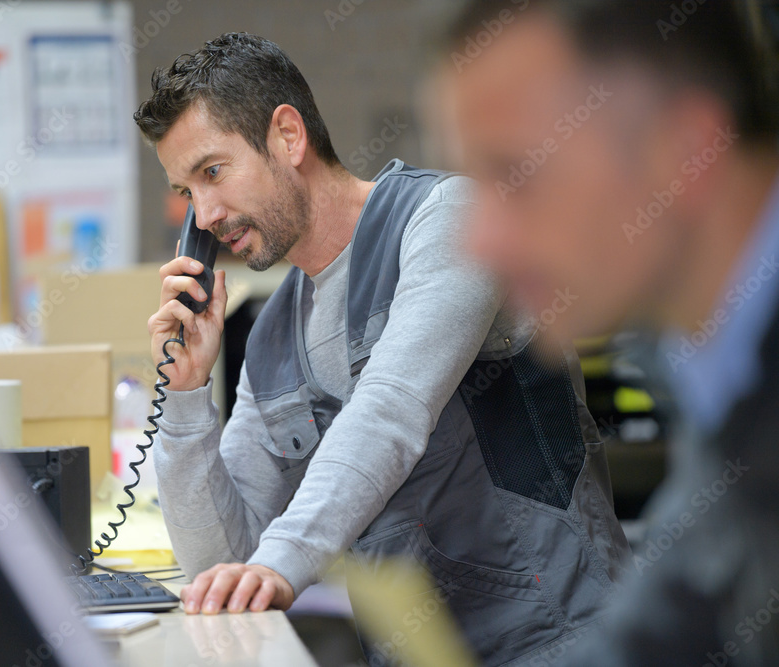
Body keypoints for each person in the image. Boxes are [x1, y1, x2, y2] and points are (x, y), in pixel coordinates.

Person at [136, 32, 629, 666]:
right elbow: (225, 567)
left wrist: (284, 562)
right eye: (186, 193)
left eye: (212, 172)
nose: (202, 216)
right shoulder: (273, 336)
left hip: (554, 643)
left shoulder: (448, 220)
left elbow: (392, 408)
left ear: (288, 136)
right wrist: (184, 398)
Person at [437, 0, 779, 664]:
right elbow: (667, 625)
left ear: (685, 153)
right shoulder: (712, 364)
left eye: (514, 174)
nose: (479, 241)